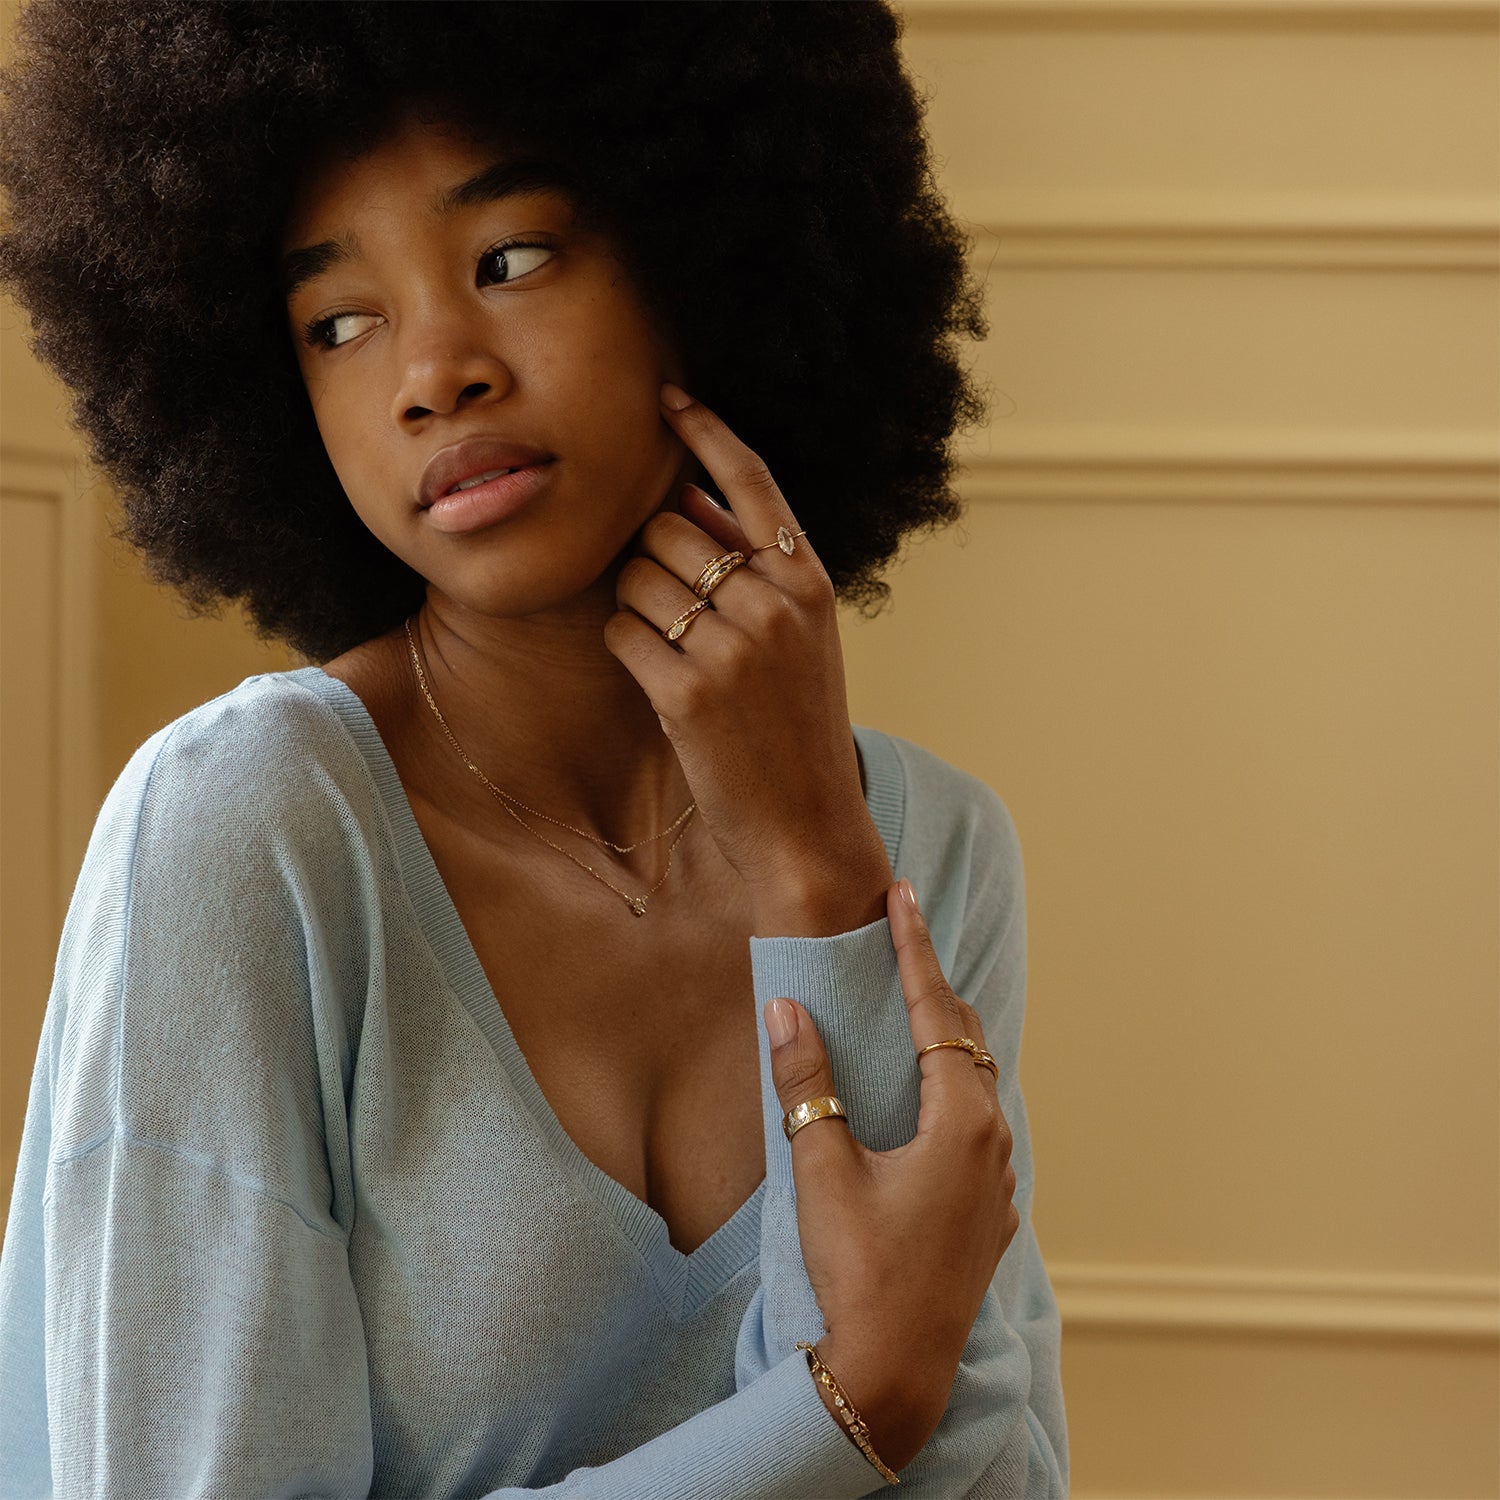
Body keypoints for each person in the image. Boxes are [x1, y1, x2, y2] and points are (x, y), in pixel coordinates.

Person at [0, 2, 1068, 1495]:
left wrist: (817, 865)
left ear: (701, 262)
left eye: (511, 258)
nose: (432, 371)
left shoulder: (930, 849)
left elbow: (988, 1478)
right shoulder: (245, 835)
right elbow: (898, 1414)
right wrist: (842, 1413)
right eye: (338, 322)